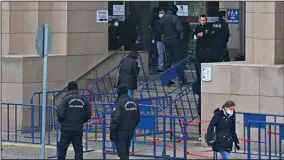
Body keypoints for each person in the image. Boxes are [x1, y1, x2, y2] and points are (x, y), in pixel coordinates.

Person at [57, 81, 92, 160]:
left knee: (62, 150)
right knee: (78, 150)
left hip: (66, 129)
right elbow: (88, 115)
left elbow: (60, 114)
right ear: (77, 88)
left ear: (68, 89)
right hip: (78, 129)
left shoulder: (65, 100)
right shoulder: (84, 100)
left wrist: (63, 122)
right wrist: (80, 122)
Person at [193, 14, 213, 140]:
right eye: (201, 20)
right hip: (199, 51)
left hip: (206, 51)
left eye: (204, 19)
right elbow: (196, 35)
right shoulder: (197, 28)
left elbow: (207, 35)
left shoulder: (209, 28)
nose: (203, 21)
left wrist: (203, 34)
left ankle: (202, 135)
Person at [110, 85, 141, 160]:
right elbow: (138, 117)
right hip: (130, 131)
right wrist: (132, 127)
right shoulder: (134, 101)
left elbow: (115, 118)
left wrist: (112, 131)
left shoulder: (119, 103)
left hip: (121, 131)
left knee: (122, 152)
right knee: (126, 151)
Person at [159, 4, 187, 85]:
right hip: (175, 41)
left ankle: (166, 80)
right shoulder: (175, 18)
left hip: (166, 41)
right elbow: (180, 30)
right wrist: (181, 39)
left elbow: (159, 29)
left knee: (168, 61)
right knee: (178, 61)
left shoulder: (163, 18)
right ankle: (181, 80)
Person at [153, 7, 166, 73]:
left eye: (162, 13)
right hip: (158, 39)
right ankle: (160, 67)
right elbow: (155, 29)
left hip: (166, 39)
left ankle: (167, 66)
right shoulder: (157, 21)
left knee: (166, 53)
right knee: (160, 54)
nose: (160, 14)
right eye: (160, 13)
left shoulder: (166, 20)